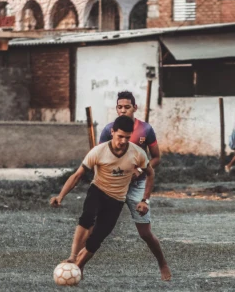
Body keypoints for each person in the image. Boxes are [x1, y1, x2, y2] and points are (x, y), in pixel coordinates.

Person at [70, 90, 171, 281]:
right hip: (112, 185)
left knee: (145, 233)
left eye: (127, 107)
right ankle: (78, 266)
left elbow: (156, 158)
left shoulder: (145, 129)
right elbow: (100, 157)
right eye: (120, 107)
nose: (123, 110)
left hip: (137, 186)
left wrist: (139, 172)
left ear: (135, 107)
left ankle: (162, 264)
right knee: (92, 226)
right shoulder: (109, 129)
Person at [50, 115, 152, 276]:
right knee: (87, 218)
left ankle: (79, 266)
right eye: (120, 136)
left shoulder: (137, 153)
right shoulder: (98, 151)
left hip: (117, 200)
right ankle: (72, 257)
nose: (124, 141)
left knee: (96, 239)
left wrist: (145, 200)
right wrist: (60, 196)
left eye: (127, 137)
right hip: (98, 190)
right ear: (112, 132)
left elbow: (150, 173)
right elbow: (77, 176)